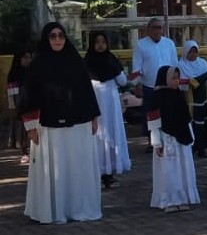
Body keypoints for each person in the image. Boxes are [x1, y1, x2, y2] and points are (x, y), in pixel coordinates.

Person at [21, 22, 102, 224]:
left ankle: (77, 208)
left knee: (76, 167)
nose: (57, 40)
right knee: (54, 169)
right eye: (53, 36)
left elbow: (86, 91)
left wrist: (93, 117)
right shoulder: (38, 65)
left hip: (78, 124)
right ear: (46, 39)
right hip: (48, 127)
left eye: (61, 35)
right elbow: (28, 95)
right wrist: (30, 127)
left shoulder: (76, 61)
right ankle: (54, 211)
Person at [149, 66, 199, 212]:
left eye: (178, 78)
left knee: (182, 169)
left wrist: (190, 135)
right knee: (168, 170)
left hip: (182, 138)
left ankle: (182, 199)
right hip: (166, 138)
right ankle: (169, 201)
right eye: (173, 78)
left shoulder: (179, 94)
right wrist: (156, 142)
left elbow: (186, 117)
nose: (177, 81)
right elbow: (153, 122)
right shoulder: (156, 97)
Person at [85, 31, 131, 188]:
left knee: (110, 133)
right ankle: (95, 173)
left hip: (110, 104)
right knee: (97, 135)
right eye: (97, 42)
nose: (100, 45)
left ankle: (108, 174)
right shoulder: (87, 62)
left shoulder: (111, 59)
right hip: (95, 102)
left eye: (103, 42)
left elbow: (122, 81)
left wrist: (116, 70)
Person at [130, 18, 178, 148]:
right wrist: (137, 85)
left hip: (167, 85)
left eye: (159, 27)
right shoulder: (141, 45)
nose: (157, 30)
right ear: (148, 29)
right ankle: (152, 142)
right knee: (151, 114)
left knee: (168, 113)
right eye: (154, 27)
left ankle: (168, 140)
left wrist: (176, 82)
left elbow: (174, 63)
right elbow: (137, 66)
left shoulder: (169, 43)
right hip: (149, 85)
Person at [177, 40, 207, 158]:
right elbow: (181, 81)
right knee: (191, 122)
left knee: (202, 122)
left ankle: (202, 148)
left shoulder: (202, 63)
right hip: (189, 97)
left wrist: (194, 81)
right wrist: (194, 81)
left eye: (195, 51)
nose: (193, 54)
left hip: (202, 96)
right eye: (190, 52)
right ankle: (191, 147)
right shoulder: (180, 65)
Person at [6, 48, 33, 164]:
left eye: (30, 57)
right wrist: (13, 107)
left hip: (32, 104)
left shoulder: (33, 72)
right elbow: (11, 94)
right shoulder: (14, 74)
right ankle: (24, 152)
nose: (28, 60)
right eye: (25, 57)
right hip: (20, 106)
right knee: (21, 130)